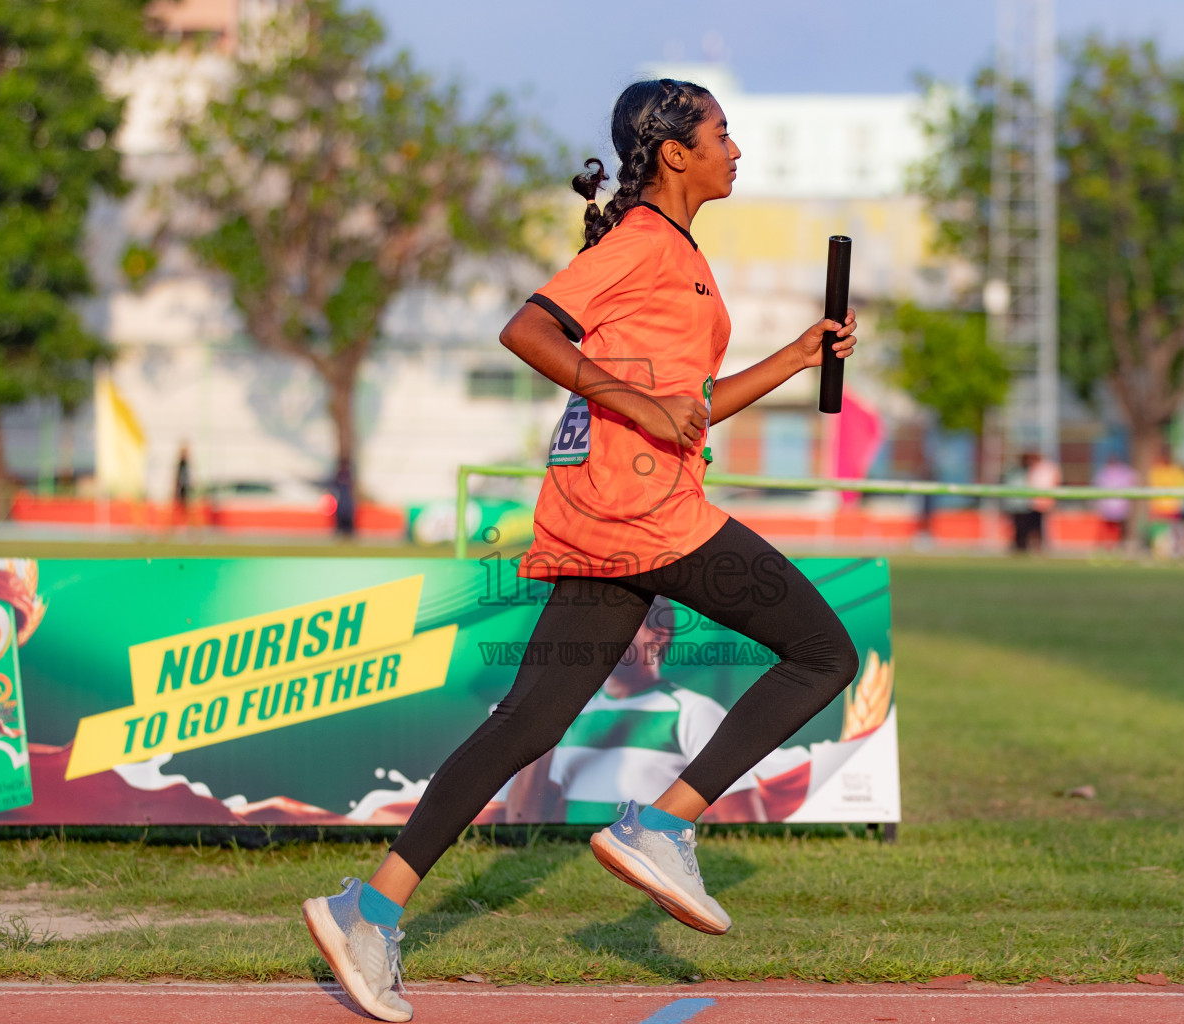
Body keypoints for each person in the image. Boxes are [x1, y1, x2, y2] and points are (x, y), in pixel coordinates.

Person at [299, 79, 860, 1022]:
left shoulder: (676, 253)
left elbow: (693, 407)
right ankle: (662, 825)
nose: (736, 147)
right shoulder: (641, 241)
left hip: (621, 508)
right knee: (824, 653)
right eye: (723, 133)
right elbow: (527, 328)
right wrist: (634, 403)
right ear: (675, 151)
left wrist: (797, 358)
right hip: (641, 510)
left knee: (529, 723)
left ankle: (370, 906)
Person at [506, 596, 765, 824]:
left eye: (614, 622)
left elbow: (741, 823)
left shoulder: (695, 712)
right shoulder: (567, 714)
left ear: (657, 636)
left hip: (647, 873)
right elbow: (523, 821)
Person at [1093, 453, 1137, 548]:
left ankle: (1112, 545)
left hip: (1116, 506)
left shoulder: (1119, 471)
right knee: (1109, 527)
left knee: (1114, 528)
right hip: (1113, 506)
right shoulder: (1107, 472)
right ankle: (1108, 545)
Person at [1027, 450, 1060, 551]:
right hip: (1035, 502)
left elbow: (1055, 481)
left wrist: (1049, 499)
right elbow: (1030, 483)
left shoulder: (1049, 467)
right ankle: (1036, 545)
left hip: (1046, 501)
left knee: (1046, 524)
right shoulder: (1034, 468)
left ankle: (1046, 545)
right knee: (1035, 525)